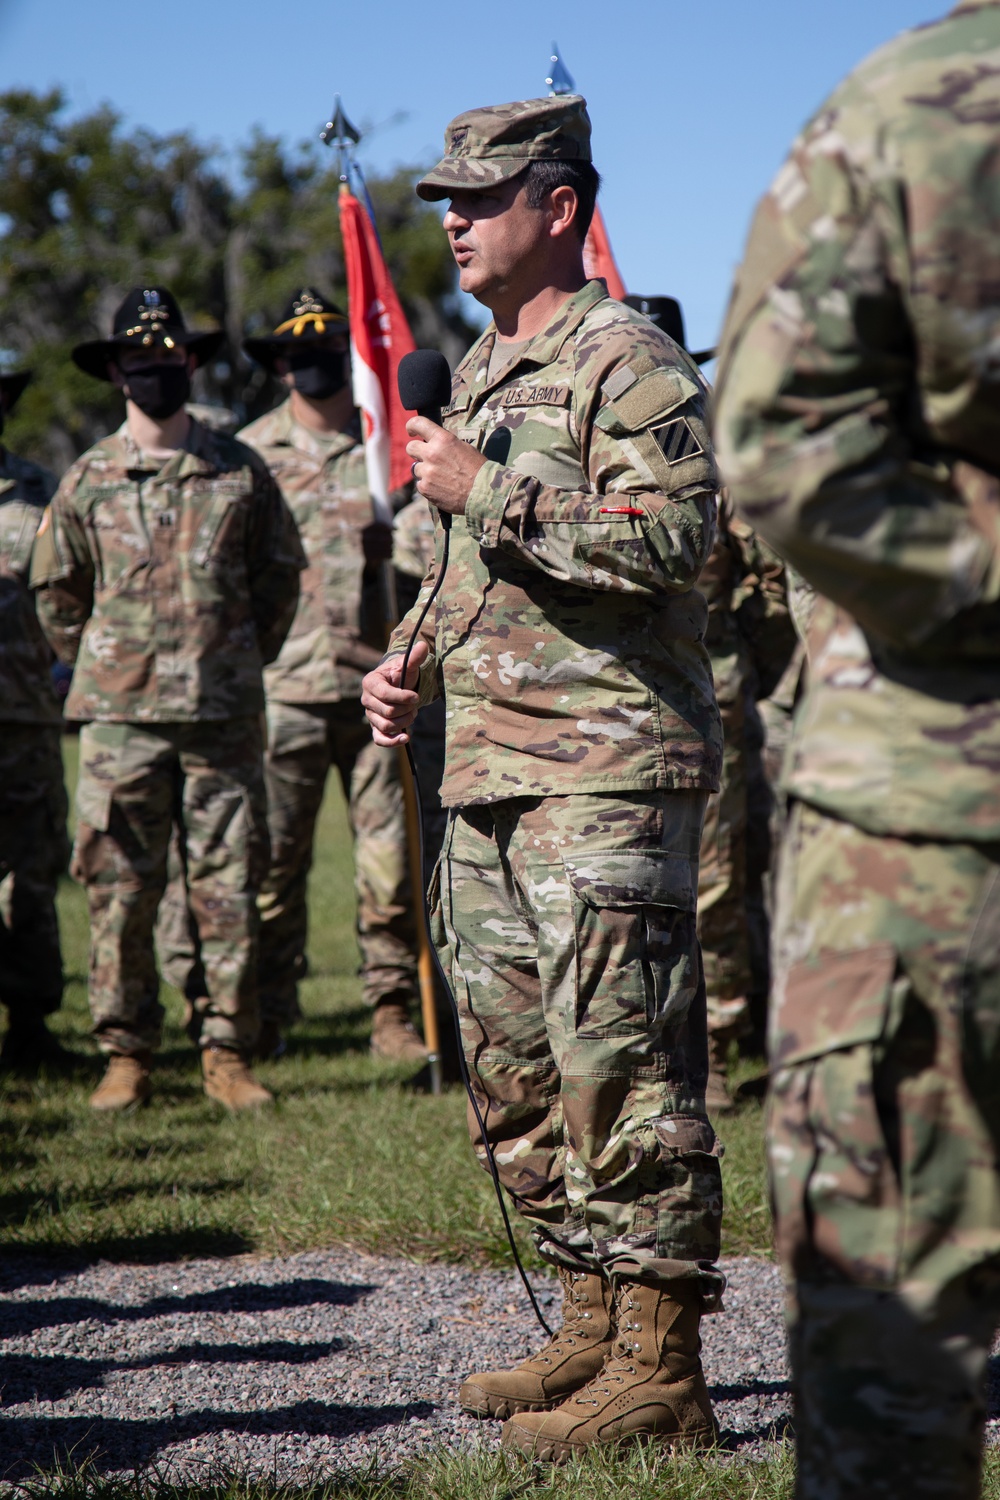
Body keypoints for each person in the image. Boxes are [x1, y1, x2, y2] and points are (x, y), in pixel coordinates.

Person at [362, 95, 724, 1461]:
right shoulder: (479, 368)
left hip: (609, 774)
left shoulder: (627, 357)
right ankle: (587, 1319)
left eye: (478, 195)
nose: (451, 221)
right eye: (442, 200)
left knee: (621, 1070)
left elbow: (681, 536)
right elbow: (469, 573)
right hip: (490, 771)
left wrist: (485, 492)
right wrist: (402, 664)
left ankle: (662, 1370)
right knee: (519, 1077)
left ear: (558, 207)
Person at [714, 4, 1000, 1496]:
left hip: (928, 822)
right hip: (928, 811)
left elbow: (782, 443)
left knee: (894, 1359)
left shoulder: (912, 103)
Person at [31, 286, 303, 1112]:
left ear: (191, 359)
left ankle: (226, 1050)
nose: (157, 369)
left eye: (169, 355)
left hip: (222, 718)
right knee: (119, 891)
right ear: (116, 370)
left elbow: (278, 580)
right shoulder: (86, 480)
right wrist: (109, 669)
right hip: (120, 724)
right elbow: (57, 595)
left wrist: (231, 662)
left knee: (226, 887)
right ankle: (126, 1054)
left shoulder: (239, 469)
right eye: (139, 359)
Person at [238, 289, 424, 1063]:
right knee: (277, 868)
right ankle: (274, 1013)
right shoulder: (248, 456)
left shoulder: (390, 451)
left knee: (388, 868)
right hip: (285, 691)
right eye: (299, 353)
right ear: (281, 364)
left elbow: (436, 558)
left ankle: (392, 1014)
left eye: (328, 351)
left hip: (376, 688)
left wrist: (401, 544)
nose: (314, 364)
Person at [624, 297, 795, 1110]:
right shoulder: (611, 454)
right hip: (622, 703)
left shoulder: (730, 466)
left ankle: (723, 1046)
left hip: (716, 699)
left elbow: (766, 588)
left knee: (723, 887)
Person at [0, 368, 72, 1072]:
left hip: (25, 714)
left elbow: (72, 585)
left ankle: (32, 1026)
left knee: (34, 870)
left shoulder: (38, 488)